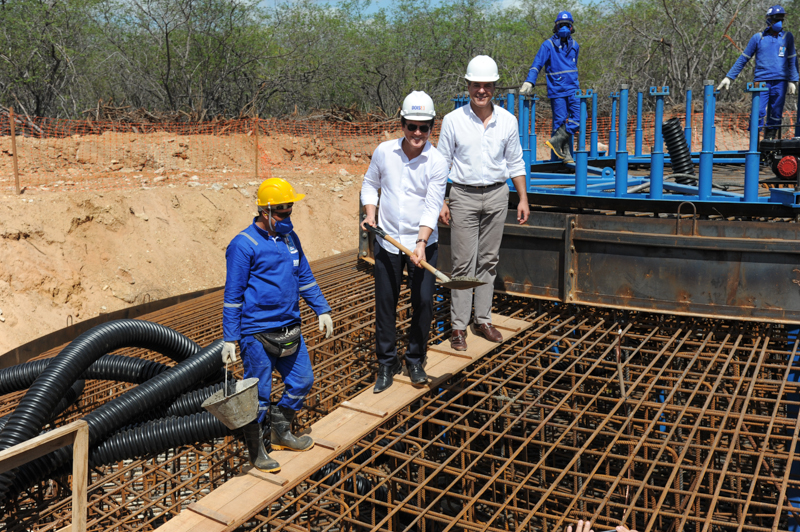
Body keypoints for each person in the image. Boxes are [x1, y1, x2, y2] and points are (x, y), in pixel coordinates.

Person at [221, 177, 334, 473]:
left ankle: (280, 430)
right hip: (257, 333)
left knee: (302, 381)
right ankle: (257, 450)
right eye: (282, 213)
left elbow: (305, 277)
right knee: (258, 396)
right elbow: (232, 296)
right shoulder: (243, 245)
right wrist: (230, 339)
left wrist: (322, 309)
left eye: (290, 212)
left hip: (289, 328)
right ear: (265, 211)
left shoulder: (289, 239)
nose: (287, 218)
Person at [438, 55, 530, 352]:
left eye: (487, 85)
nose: (481, 91)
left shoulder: (508, 121)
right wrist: (442, 199)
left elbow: (515, 162)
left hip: (497, 195)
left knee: (488, 260)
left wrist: (523, 199)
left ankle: (483, 319)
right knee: (463, 263)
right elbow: (442, 164)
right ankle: (458, 326)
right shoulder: (453, 121)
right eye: (476, 85)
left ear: (494, 87)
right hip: (463, 195)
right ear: (467, 85)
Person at [360, 91, 449, 394]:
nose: (417, 134)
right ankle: (387, 363)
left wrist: (421, 242)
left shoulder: (437, 161)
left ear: (431, 128)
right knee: (386, 304)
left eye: (424, 128)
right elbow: (370, 184)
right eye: (412, 126)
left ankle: (415, 359)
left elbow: (432, 204)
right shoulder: (385, 152)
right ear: (402, 124)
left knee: (424, 302)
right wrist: (370, 214)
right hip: (388, 242)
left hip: (424, 244)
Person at [717, 5, 799, 140]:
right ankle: (754, 142)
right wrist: (729, 77)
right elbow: (743, 58)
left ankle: (769, 143)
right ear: (769, 20)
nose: (778, 22)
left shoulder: (787, 37)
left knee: (776, 113)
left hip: (780, 81)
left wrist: (793, 80)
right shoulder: (758, 38)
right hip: (761, 82)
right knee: (759, 111)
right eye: (775, 19)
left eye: (781, 19)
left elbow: (792, 59)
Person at [520, 11, 580, 164]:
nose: (564, 28)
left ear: (572, 27)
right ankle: (564, 158)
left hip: (573, 89)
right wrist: (530, 81)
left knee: (579, 118)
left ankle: (556, 141)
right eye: (561, 24)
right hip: (557, 90)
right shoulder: (548, 45)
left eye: (567, 25)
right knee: (560, 122)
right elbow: (537, 64)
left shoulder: (575, 46)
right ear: (555, 26)